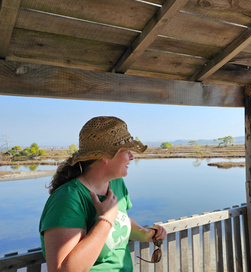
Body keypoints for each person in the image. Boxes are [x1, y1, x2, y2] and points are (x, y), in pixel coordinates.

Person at [39, 116, 167, 271]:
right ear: (105, 156)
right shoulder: (67, 198)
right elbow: (62, 269)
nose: (132, 157)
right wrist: (105, 220)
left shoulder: (116, 183)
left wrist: (145, 234)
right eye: (126, 151)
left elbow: (120, 220)